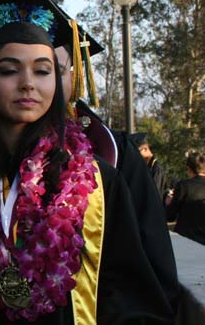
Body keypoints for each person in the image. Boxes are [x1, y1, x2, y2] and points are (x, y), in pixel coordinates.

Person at [0, 0, 174, 324]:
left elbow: (130, 294)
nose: (28, 83)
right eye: (9, 70)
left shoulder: (96, 182)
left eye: (43, 71)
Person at [54, 40, 179, 315]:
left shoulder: (113, 153)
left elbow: (150, 262)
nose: (32, 83)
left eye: (51, 70)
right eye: (10, 70)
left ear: (72, 79)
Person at [167, 152, 205, 245]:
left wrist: (168, 202)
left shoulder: (184, 185)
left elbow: (170, 216)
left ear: (189, 169)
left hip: (185, 239)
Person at [132, 132, 171, 204]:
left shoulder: (157, 169)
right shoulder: (146, 167)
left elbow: (155, 194)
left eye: (138, 151)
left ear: (145, 149)